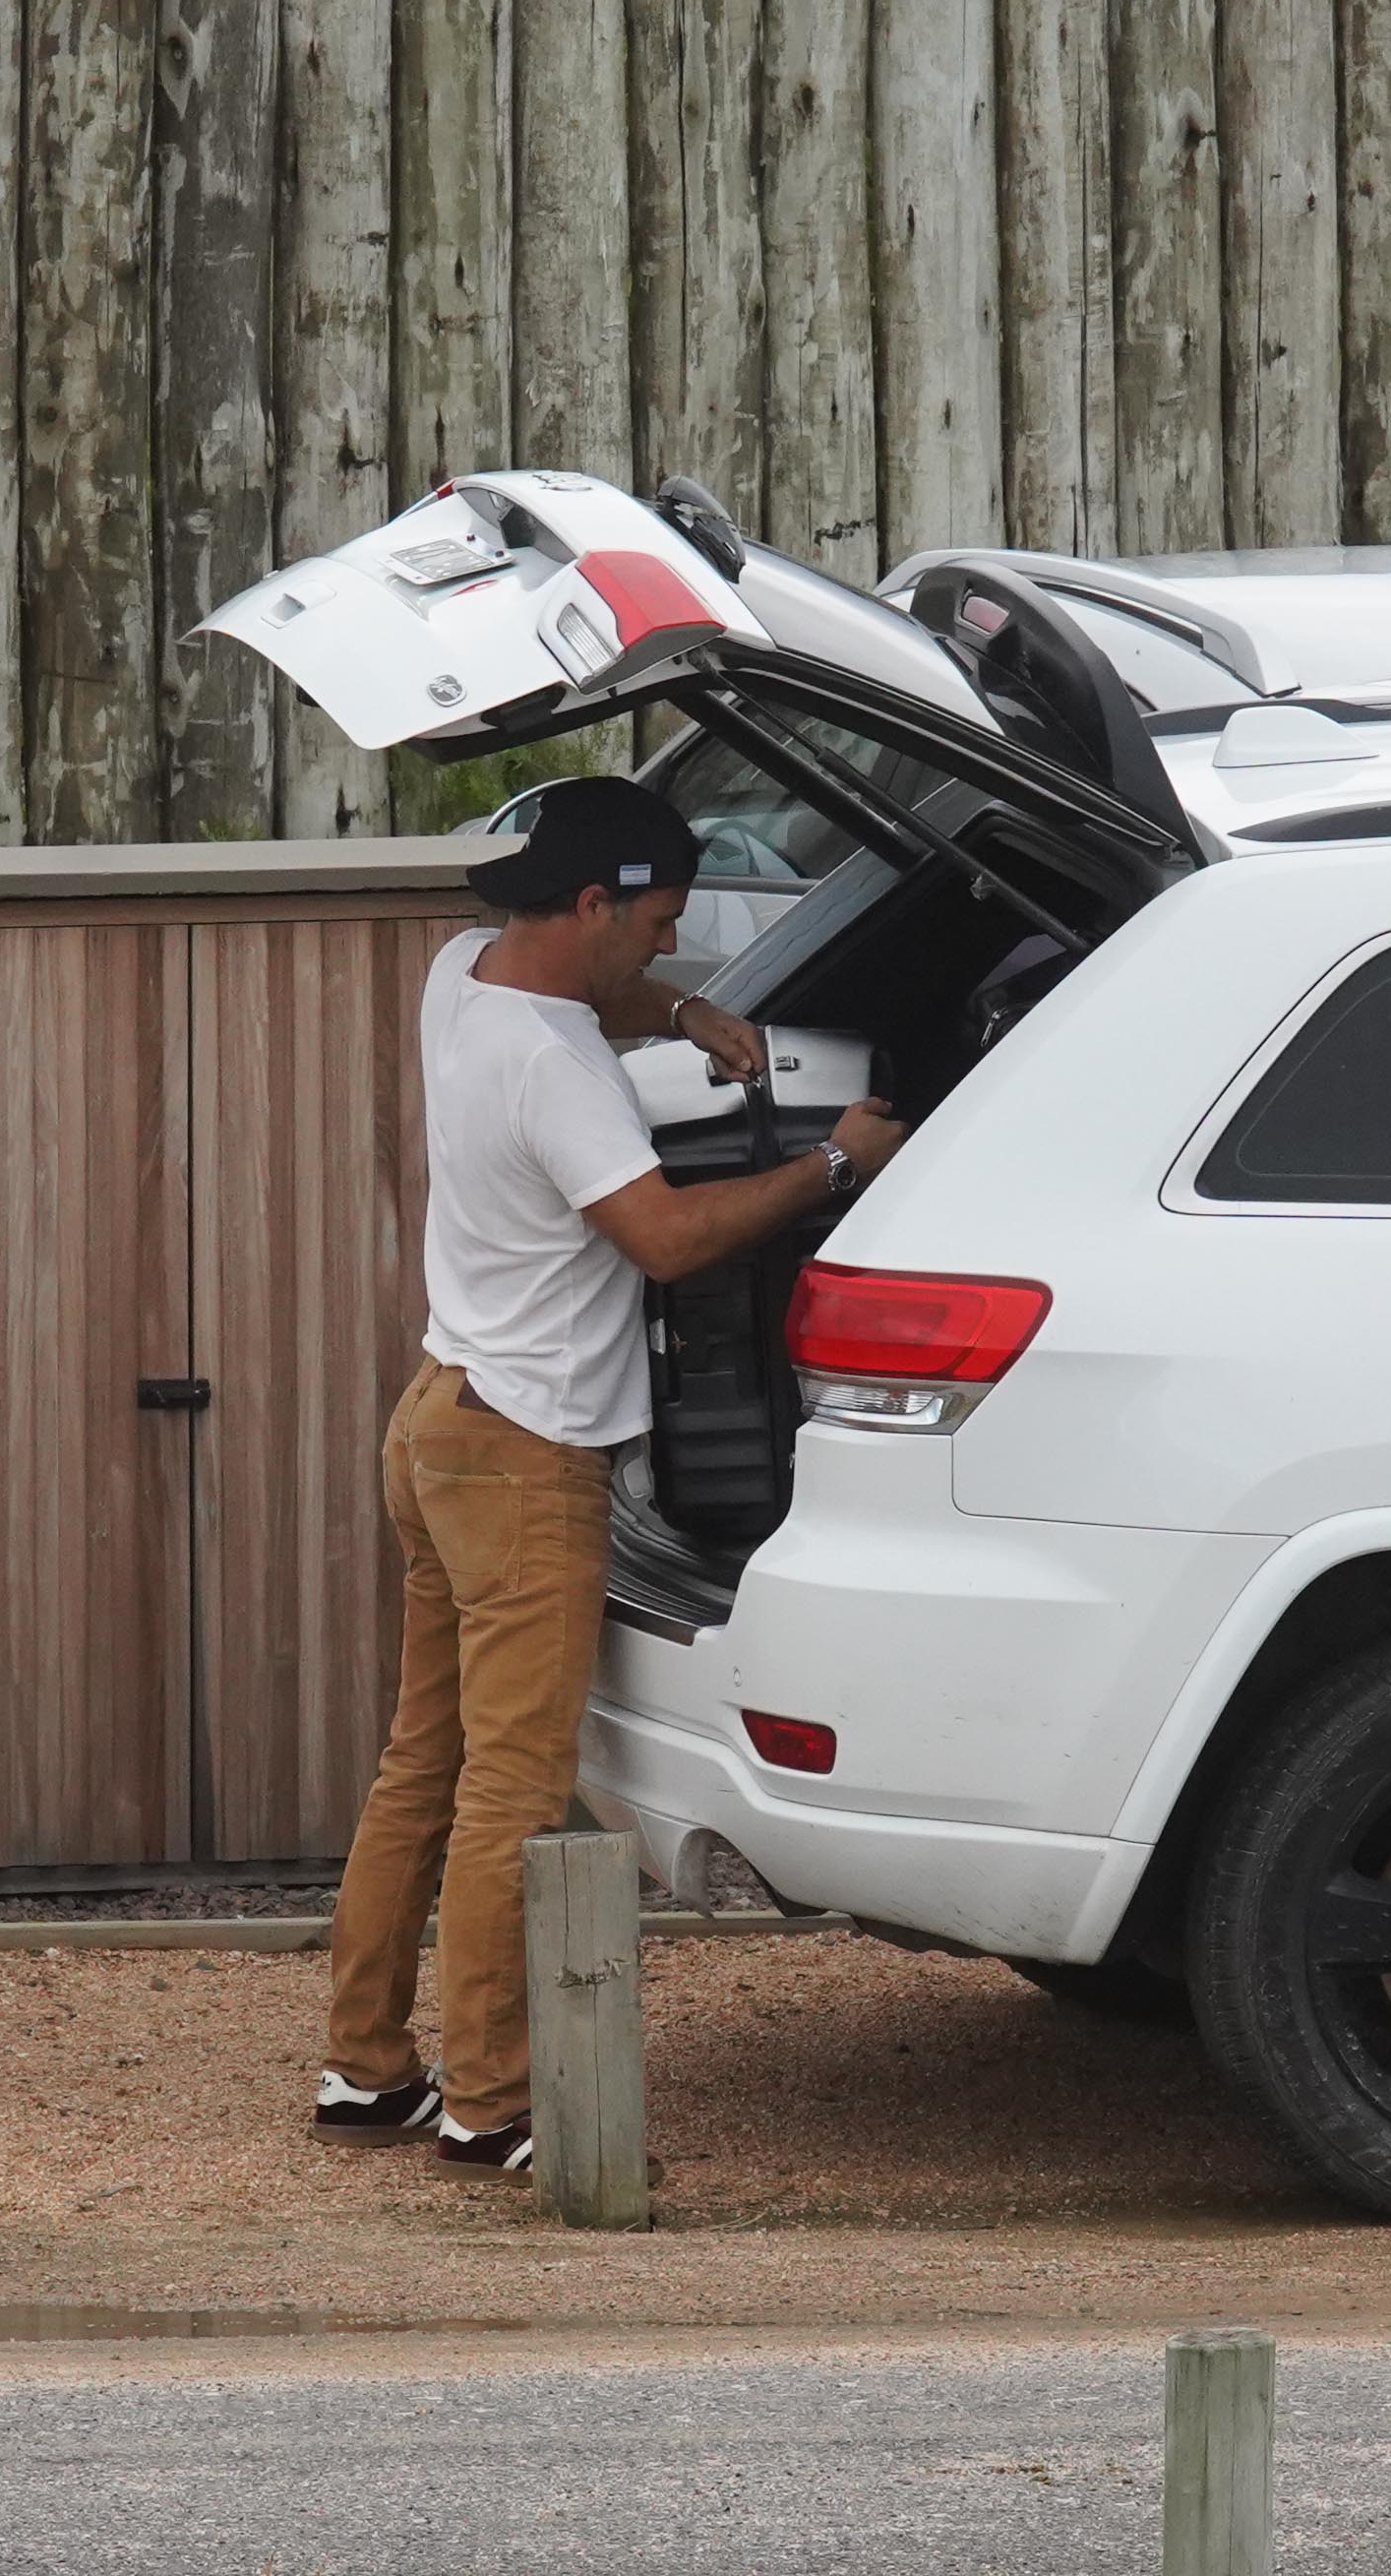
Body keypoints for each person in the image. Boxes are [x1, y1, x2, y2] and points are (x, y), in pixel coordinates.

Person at [313, 774, 909, 2173]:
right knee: (513, 1791)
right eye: (658, 920)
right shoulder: (557, 1072)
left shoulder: (462, 976)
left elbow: (594, 997)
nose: (668, 940)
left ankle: (366, 2065)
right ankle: (495, 2101)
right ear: (592, 902)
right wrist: (833, 1160)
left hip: (438, 1419)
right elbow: (668, 1240)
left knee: (424, 1761)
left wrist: (690, 1012)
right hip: (527, 1454)